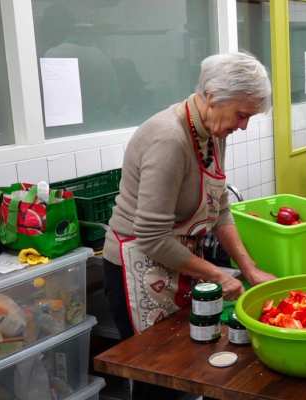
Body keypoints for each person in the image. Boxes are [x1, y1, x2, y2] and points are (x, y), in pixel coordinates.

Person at [103, 53, 276, 342]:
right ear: (212, 97)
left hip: (179, 262)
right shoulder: (169, 139)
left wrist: (249, 268)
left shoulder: (213, 131)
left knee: (195, 351)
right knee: (157, 373)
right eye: (242, 115)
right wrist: (218, 275)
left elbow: (219, 208)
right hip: (139, 267)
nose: (243, 126)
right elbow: (152, 237)